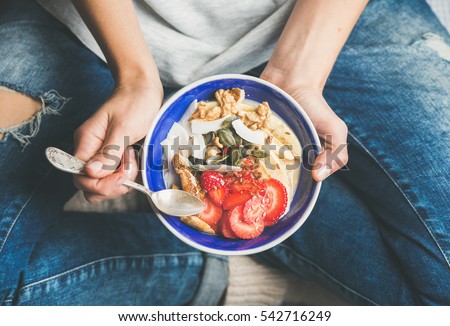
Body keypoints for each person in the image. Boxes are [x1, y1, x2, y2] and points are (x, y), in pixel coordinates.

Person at [0, 0, 448, 305]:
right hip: (89, 32)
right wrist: (134, 74)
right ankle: (204, 272)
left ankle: (266, 238)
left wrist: (298, 74)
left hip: (325, 24)